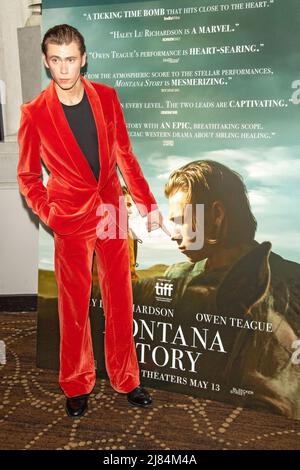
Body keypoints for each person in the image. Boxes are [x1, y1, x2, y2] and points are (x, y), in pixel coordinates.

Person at [17, 24, 170, 418]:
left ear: (83, 58)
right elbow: (28, 177)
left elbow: (124, 153)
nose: (64, 69)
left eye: (71, 59)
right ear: (47, 62)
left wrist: (146, 203)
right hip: (68, 216)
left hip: (111, 207)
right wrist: (50, 214)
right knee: (74, 304)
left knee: (121, 296)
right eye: (56, 61)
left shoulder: (106, 96)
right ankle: (76, 382)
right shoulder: (34, 113)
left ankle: (127, 378)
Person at [133, 160, 300, 418]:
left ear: (217, 216)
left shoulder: (293, 282)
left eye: (180, 221)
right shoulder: (176, 278)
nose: (174, 234)